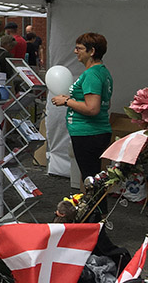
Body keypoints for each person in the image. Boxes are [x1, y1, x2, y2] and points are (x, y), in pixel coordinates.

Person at [51, 33, 112, 214]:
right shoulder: (101, 72)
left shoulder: (92, 74)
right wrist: (70, 99)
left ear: (92, 51)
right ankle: (91, 219)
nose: (75, 51)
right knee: (92, 180)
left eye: (79, 48)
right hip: (92, 133)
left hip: (89, 133)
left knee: (91, 181)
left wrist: (67, 102)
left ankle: (95, 223)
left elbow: (92, 108)